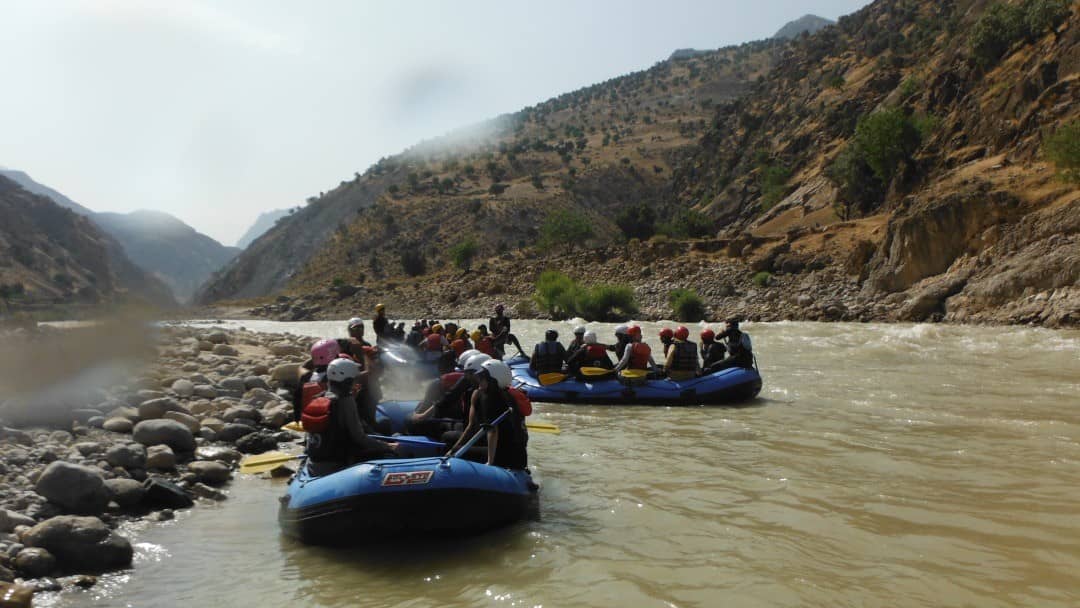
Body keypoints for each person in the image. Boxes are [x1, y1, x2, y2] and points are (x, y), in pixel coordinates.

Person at [302, 357, 398, 476]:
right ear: (347, 381)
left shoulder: (319, 398)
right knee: (389, 453)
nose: (355, 383)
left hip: (313, 465)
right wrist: (387, 446)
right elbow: (359, 438)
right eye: (353, 380)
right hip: (335, 465)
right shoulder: (345, 401)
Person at [446, 359, 527, 470]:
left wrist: (490, 462)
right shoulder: (509, 396)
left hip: (505, 457)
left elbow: (493, 431)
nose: (479, 380)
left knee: (455, 449)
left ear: (494, 380)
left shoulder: (491, 399)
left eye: (482, 378)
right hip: (520, 458)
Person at [292, 339, 339, 423]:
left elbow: (302, 367)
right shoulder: (338, 377)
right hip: (329, 422)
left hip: (306, 420)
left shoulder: (306, 376)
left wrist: (315, 357)